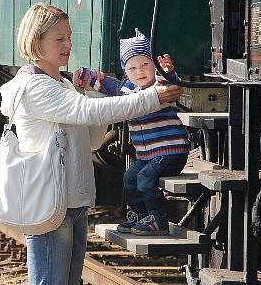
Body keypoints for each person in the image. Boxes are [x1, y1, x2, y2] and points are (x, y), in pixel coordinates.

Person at [0, 4, 182, 285]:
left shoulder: (60, 84)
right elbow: (86, 116)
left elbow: (93, 133)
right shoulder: (35, 88)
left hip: (73, 204)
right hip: (51, 208)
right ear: (36, 42)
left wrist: (98, 94)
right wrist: (149, 96)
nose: (67, 45)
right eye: (58, 39)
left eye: (67, 36)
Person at [74, 30, 188, 235]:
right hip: (148, 156)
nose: (139, 71)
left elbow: (171, 84)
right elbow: (109, 85)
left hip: (170, 152)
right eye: (132, 67)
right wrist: (89, 77)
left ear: (154, 65)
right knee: (129, 178)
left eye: (145, 64)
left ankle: (158, 220)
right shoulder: (127, 89)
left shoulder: (159, 86)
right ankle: (140, 217)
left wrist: (167, 72)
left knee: (145, 179)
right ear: (126, 71)